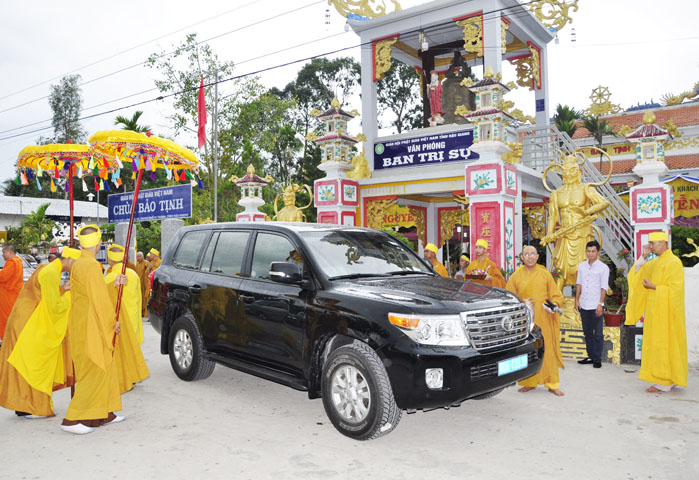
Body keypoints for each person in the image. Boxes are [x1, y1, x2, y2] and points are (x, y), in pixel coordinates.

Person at [0, 247, 80, 417]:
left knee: (26, 362)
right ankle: (31, 406)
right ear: (69, 260)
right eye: (76, 264)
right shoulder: (51, 273)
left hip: (25, 317)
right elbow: (54, 307)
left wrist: (62, 289)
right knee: (33, 364)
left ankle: (24, 406)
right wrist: (69, 296)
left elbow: (42, 294)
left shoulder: (49, 268)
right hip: (29, 321)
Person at [61, 225, 125, 435]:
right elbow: (99, 301)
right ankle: (73, 419)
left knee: (105, 368)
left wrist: (113, 284)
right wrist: (111, 323)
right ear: (98, 243)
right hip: (91, 325)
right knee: (95, 370)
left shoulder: (80, 263)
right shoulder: (90, 266)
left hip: (83, 323)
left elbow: (92, 292)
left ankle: (104, 413)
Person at [626, 231, 687, 393]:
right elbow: (637, 274)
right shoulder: (656, 263)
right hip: (654, 312)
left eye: (653, 243)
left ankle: (664, 381)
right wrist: (644, 256)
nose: (650, 246)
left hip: (668, 314)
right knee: (656, 344)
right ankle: (665, 379)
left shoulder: (674, 262)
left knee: (665, 344)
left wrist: (654, 287)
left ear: (663, 243)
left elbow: (676, 290)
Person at [541, 154, 610, 291]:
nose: (568, 174)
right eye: (565, 171)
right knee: (561, 266)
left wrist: (586, 211)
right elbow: (553, 216)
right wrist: (549, 234)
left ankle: (587, 295)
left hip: (582, 233)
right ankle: (558, 298)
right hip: (564, 234)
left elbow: (604, 202)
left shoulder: (585, 189)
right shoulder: (556, 193)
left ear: (578, 172)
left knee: (584, 265)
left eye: (571, 171)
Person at [507, 246, 566, 396]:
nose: (530, 256)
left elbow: (556, 295)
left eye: (532, 254)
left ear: (537, 256)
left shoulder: (545, 274)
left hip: (544, 318)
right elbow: (509, 297)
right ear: (522, 257)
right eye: (526, 254)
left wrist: (553, 305)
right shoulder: (516, 276)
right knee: (528, 350)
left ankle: (552, 383)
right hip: (526, 321)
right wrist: (522, 301)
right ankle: (528, 382)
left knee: (548, 350)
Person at [104, 245, 149, 393]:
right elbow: (139, 296)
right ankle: (134, 376)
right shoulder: (133, 274)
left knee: (122, 351)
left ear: (109, 259)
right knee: (132, 349)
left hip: (119, 320)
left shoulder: (110, 278)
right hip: (133, 318)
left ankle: (125, 379)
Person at [575, 240, 609, 369]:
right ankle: (590, 356)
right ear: (586, 252)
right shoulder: (582, 266)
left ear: (598, 252)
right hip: (584, 304)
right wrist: (576, 300)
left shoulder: (603, 268)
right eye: (588, 251)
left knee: (598, 333)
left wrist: (600, 304)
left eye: (593, 251)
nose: (590, 254)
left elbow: (604, 287)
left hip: (596, 305)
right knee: (588, 332)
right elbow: (579, 283)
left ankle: (597, 358)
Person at [0, 244, 25, 340]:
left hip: (8, 295)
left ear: (10, 252)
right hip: (14, 294)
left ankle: (8, 340)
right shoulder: (18, 262)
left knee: (7, 318)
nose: (2, 255)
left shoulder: (12, 262)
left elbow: (3, 277)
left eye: (4, 252)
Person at [135, 251, 151, 318]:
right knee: (139, 297)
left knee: (144, 298)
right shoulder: (137, 264)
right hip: (139, 283)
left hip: (144, 283)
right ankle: (140, 311)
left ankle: (145, 312)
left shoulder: (146, 263)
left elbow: (148, 272)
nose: (139, 257)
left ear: (143, 256)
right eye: (138, 256)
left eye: (140, 256)